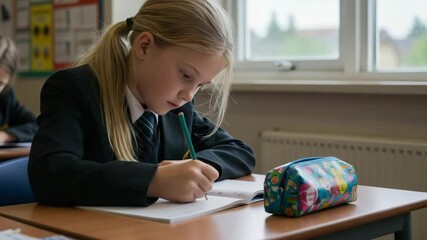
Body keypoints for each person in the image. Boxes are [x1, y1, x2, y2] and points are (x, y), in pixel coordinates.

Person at [28, 0, 256, 206]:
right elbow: (49, 175)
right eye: (186, 76)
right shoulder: (74, 89)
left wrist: (196, 171)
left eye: (200, 85)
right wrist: (154, 180)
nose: (188, 95)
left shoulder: (178, 108)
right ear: (144, 46)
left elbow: (240, 151)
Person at [0, 36, 38, 143]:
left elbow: (36, 126)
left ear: (8, 81)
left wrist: (5, 136)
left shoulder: (5, 97)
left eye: (0, 83)